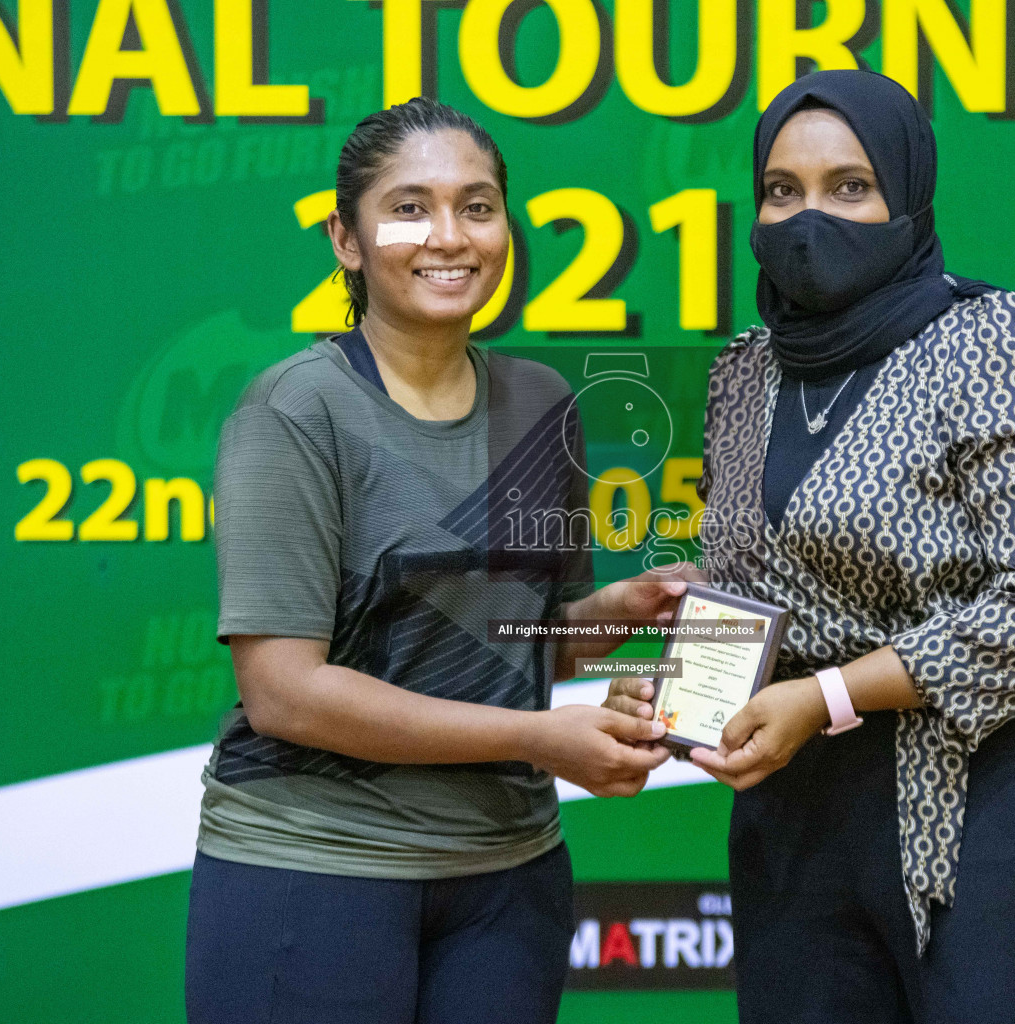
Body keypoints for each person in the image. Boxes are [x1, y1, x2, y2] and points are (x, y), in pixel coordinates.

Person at [605, 71, 1015, 1023]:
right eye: (781, 191)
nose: (809, 219)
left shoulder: (992, 337)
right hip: (792, 834)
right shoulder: (747, 370)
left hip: (977, 811)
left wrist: (828, 695)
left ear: (907, 197)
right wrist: (680, 691)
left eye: (850, 187)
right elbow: (766, 587)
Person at [186, 98, 686, 1024]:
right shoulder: (295, 412)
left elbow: (508, 648)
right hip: (315, 867)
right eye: (409, 207)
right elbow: (285, 693)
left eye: (478, 205)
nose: (449, 236)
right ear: (347, 238)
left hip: (508, 878)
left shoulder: (542, 402)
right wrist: (541, 737)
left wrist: (618, 612)